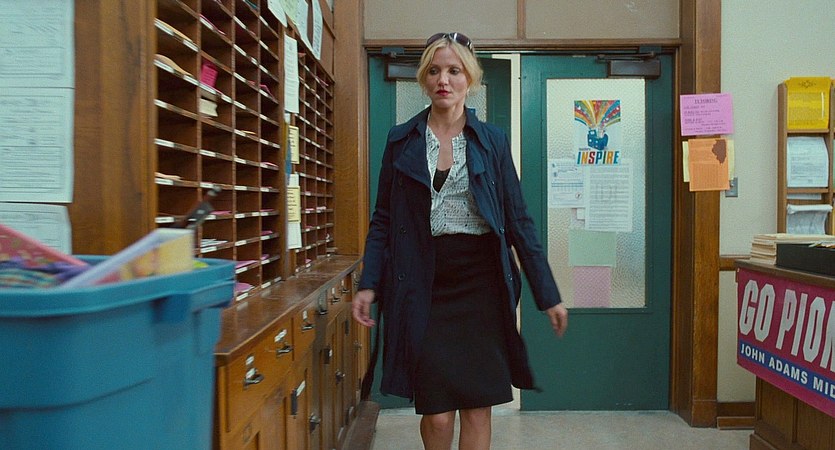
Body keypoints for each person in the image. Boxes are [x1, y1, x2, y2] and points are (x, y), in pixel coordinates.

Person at [352, 32, 568, 450]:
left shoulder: (491, 141)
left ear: (470, 79)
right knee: (436, 414)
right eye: (434, 71)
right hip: (424, 283)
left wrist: (548, 294)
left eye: (454, 71)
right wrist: (369, 282)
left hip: (481, 286)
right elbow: (383, 219)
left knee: (476, 407)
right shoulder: (401, 140)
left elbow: (518, 222)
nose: (443, 80)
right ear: (424, 79)